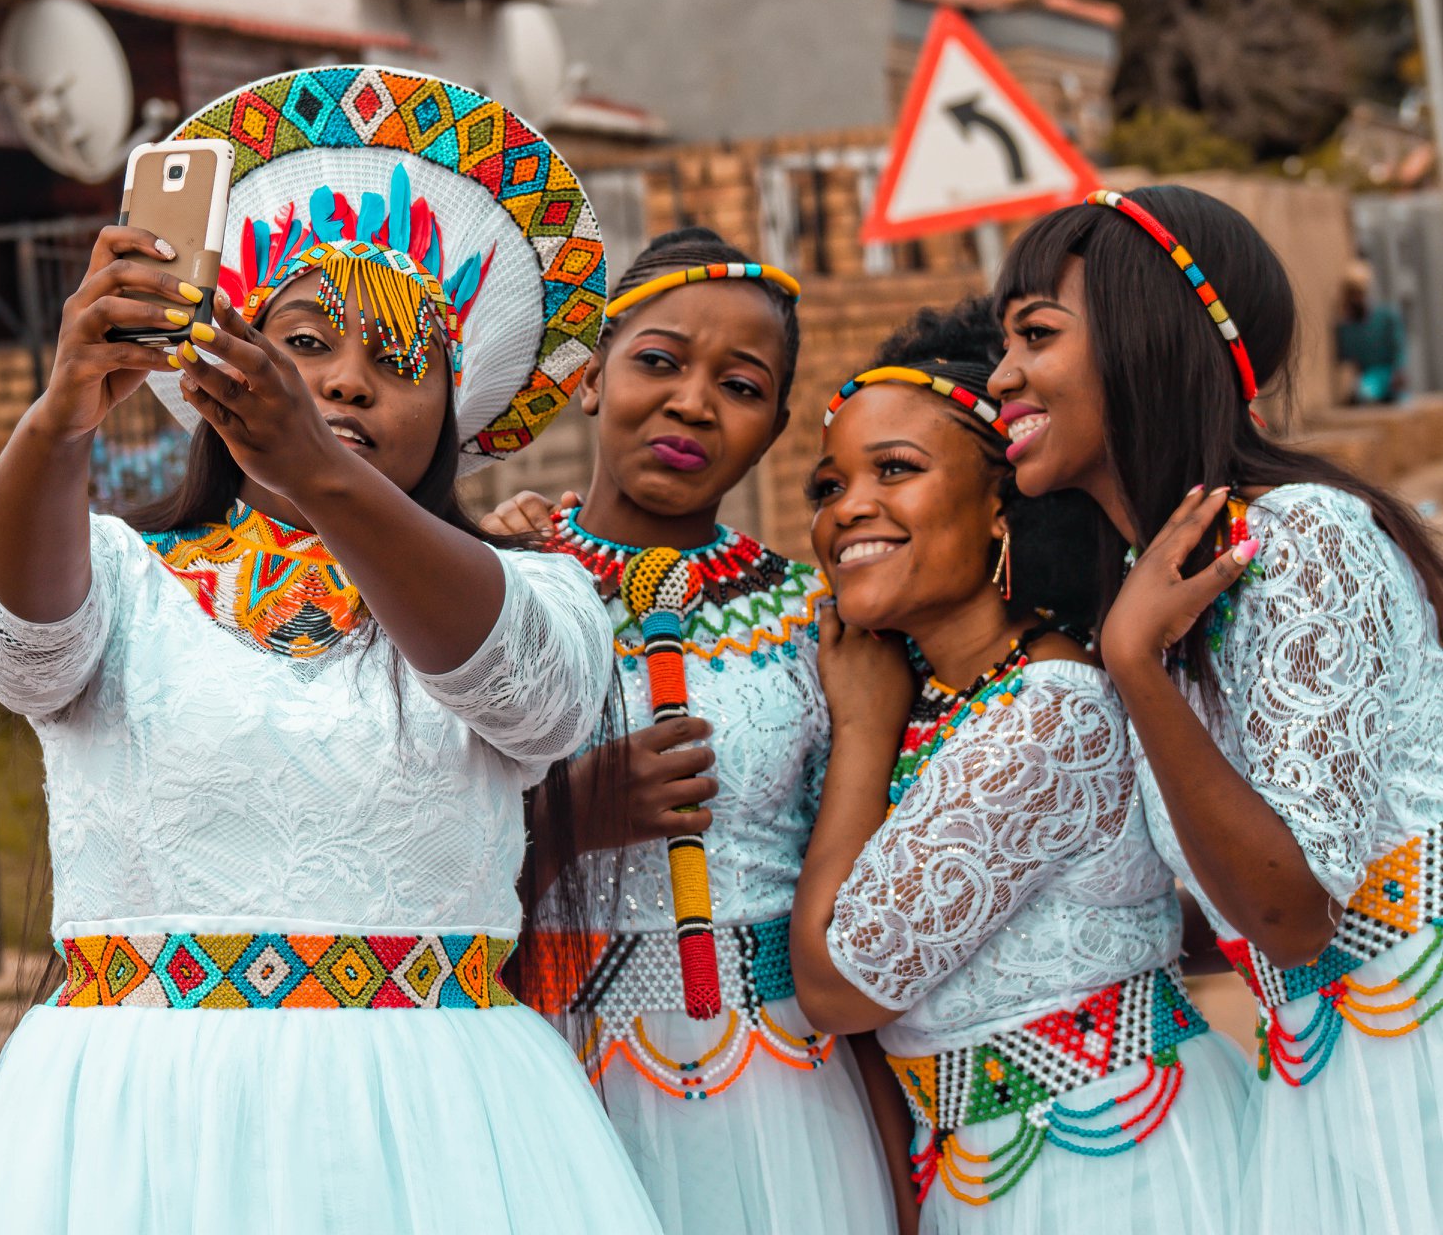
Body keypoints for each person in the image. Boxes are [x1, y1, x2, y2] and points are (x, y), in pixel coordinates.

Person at [0, 65, 664, 1234]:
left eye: (397, 363)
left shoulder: (528, 593)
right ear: (219, 371)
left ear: (454, 411)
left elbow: (534, 706)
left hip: (427, 1136)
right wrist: (62, 415)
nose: (343, 378)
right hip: (147, 1135)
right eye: (303, 343)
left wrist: (321, 471)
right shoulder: (122, 580)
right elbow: (22, 655)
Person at [989, 185, 1443, 1232]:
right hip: (1324, 1077)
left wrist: (1136, 668)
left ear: (1149, 339)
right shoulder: (1156, 596)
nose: (1003, 374)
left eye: (1037, 335)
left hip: (1412, 1066)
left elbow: (1291, 918)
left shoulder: (1299, 538)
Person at [786, 305, 1250, 1234]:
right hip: (991, 1169)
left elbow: (837, 987)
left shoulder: (1050, 712)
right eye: (827, 485)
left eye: (896, 470)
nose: (847, 509)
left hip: (1114, 1169)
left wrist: (866, 734)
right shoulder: (925, 691)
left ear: (1002, 503)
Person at [488, 228, 897, 1234]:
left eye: (742, 385)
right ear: (589, 377)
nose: (693, 403)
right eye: (659, 361)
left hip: (783, 1092)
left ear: (774, 427)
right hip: (554, 1079)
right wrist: (574, 819)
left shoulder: (822, 619)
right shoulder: (495, 592)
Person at [1336, 258, 1405, 405]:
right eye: (1351, 294)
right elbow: (1345, 358)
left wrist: (1398, 372)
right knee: (1363, 391)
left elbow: (1398, 349)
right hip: (1366, 381)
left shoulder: (1386, 318)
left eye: (1358, 293)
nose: (1355, 299)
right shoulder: (1348, 328)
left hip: (1387, 377)